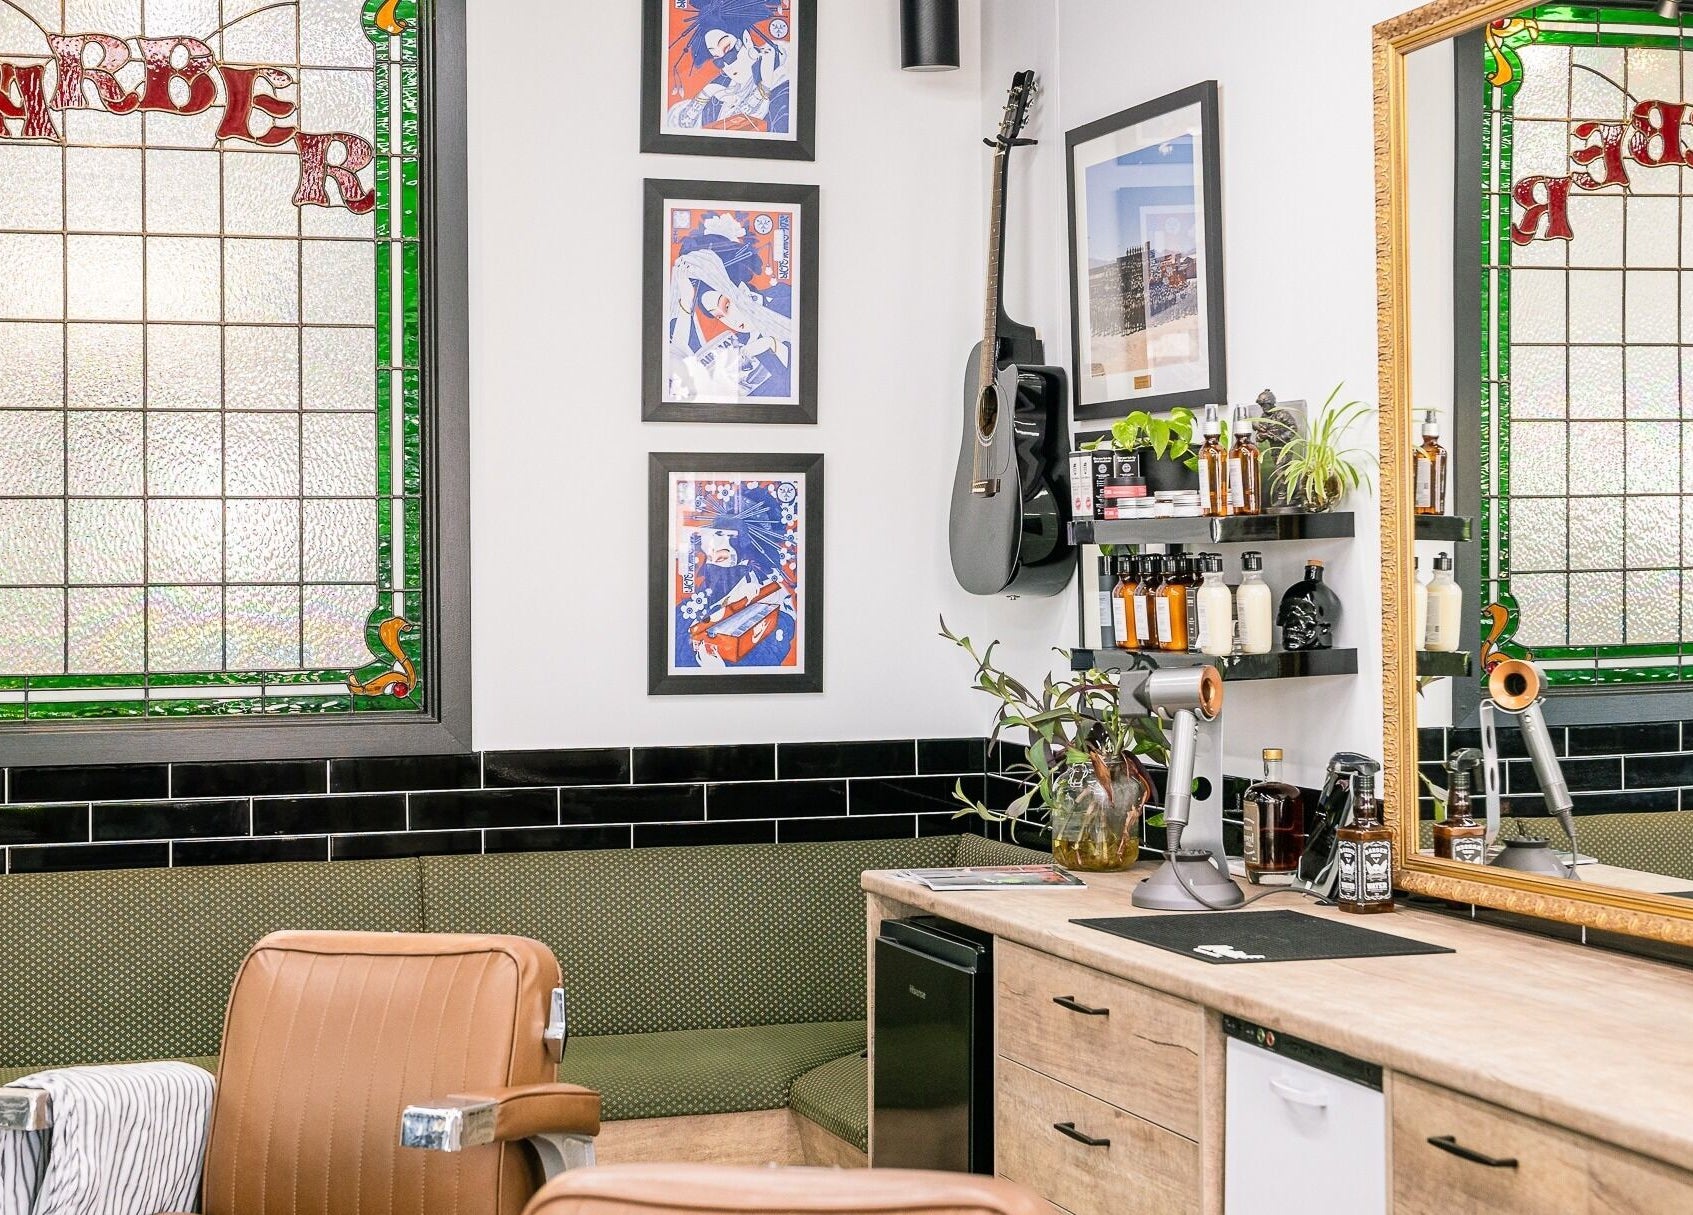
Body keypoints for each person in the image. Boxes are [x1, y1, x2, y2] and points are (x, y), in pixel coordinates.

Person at [666, 0, 792, 136]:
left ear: (746, 39)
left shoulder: (784, 79)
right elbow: (680, 128)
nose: (726, 67)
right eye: (718, 61)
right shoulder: (723, 87)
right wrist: (707, 92)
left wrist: (765, 86)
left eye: (728, 52)